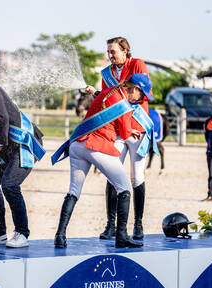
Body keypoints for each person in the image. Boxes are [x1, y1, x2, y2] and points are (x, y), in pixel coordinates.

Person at [51, 73, 153, 249]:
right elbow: (126, 132)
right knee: (124, 189)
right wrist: (130, 132)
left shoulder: (108, 91)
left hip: (77, 144)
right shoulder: (124, 104)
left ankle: (60, 236)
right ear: (135, 89)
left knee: (73, 191)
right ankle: (121, 237)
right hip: (95, 146)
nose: (143, 99)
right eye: (142, 95)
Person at [86, 37, 153, 241]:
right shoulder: (106, 73)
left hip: (137, 127)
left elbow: (142, 94)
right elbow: (108, 99)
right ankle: (110, 225)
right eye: (108, 51)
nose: (110, 55)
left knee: (137, 177)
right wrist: (97, 94)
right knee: (112, 174)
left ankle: (138, 225)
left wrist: (119, 93)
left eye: (113, 51)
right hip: (118, 129)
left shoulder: (137, 64)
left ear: (125, 51)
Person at [0, 66, 45, 248]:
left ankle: (22, 233)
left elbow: (3, 117)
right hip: (8, 145)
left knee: (10, 185)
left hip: (24, 143)